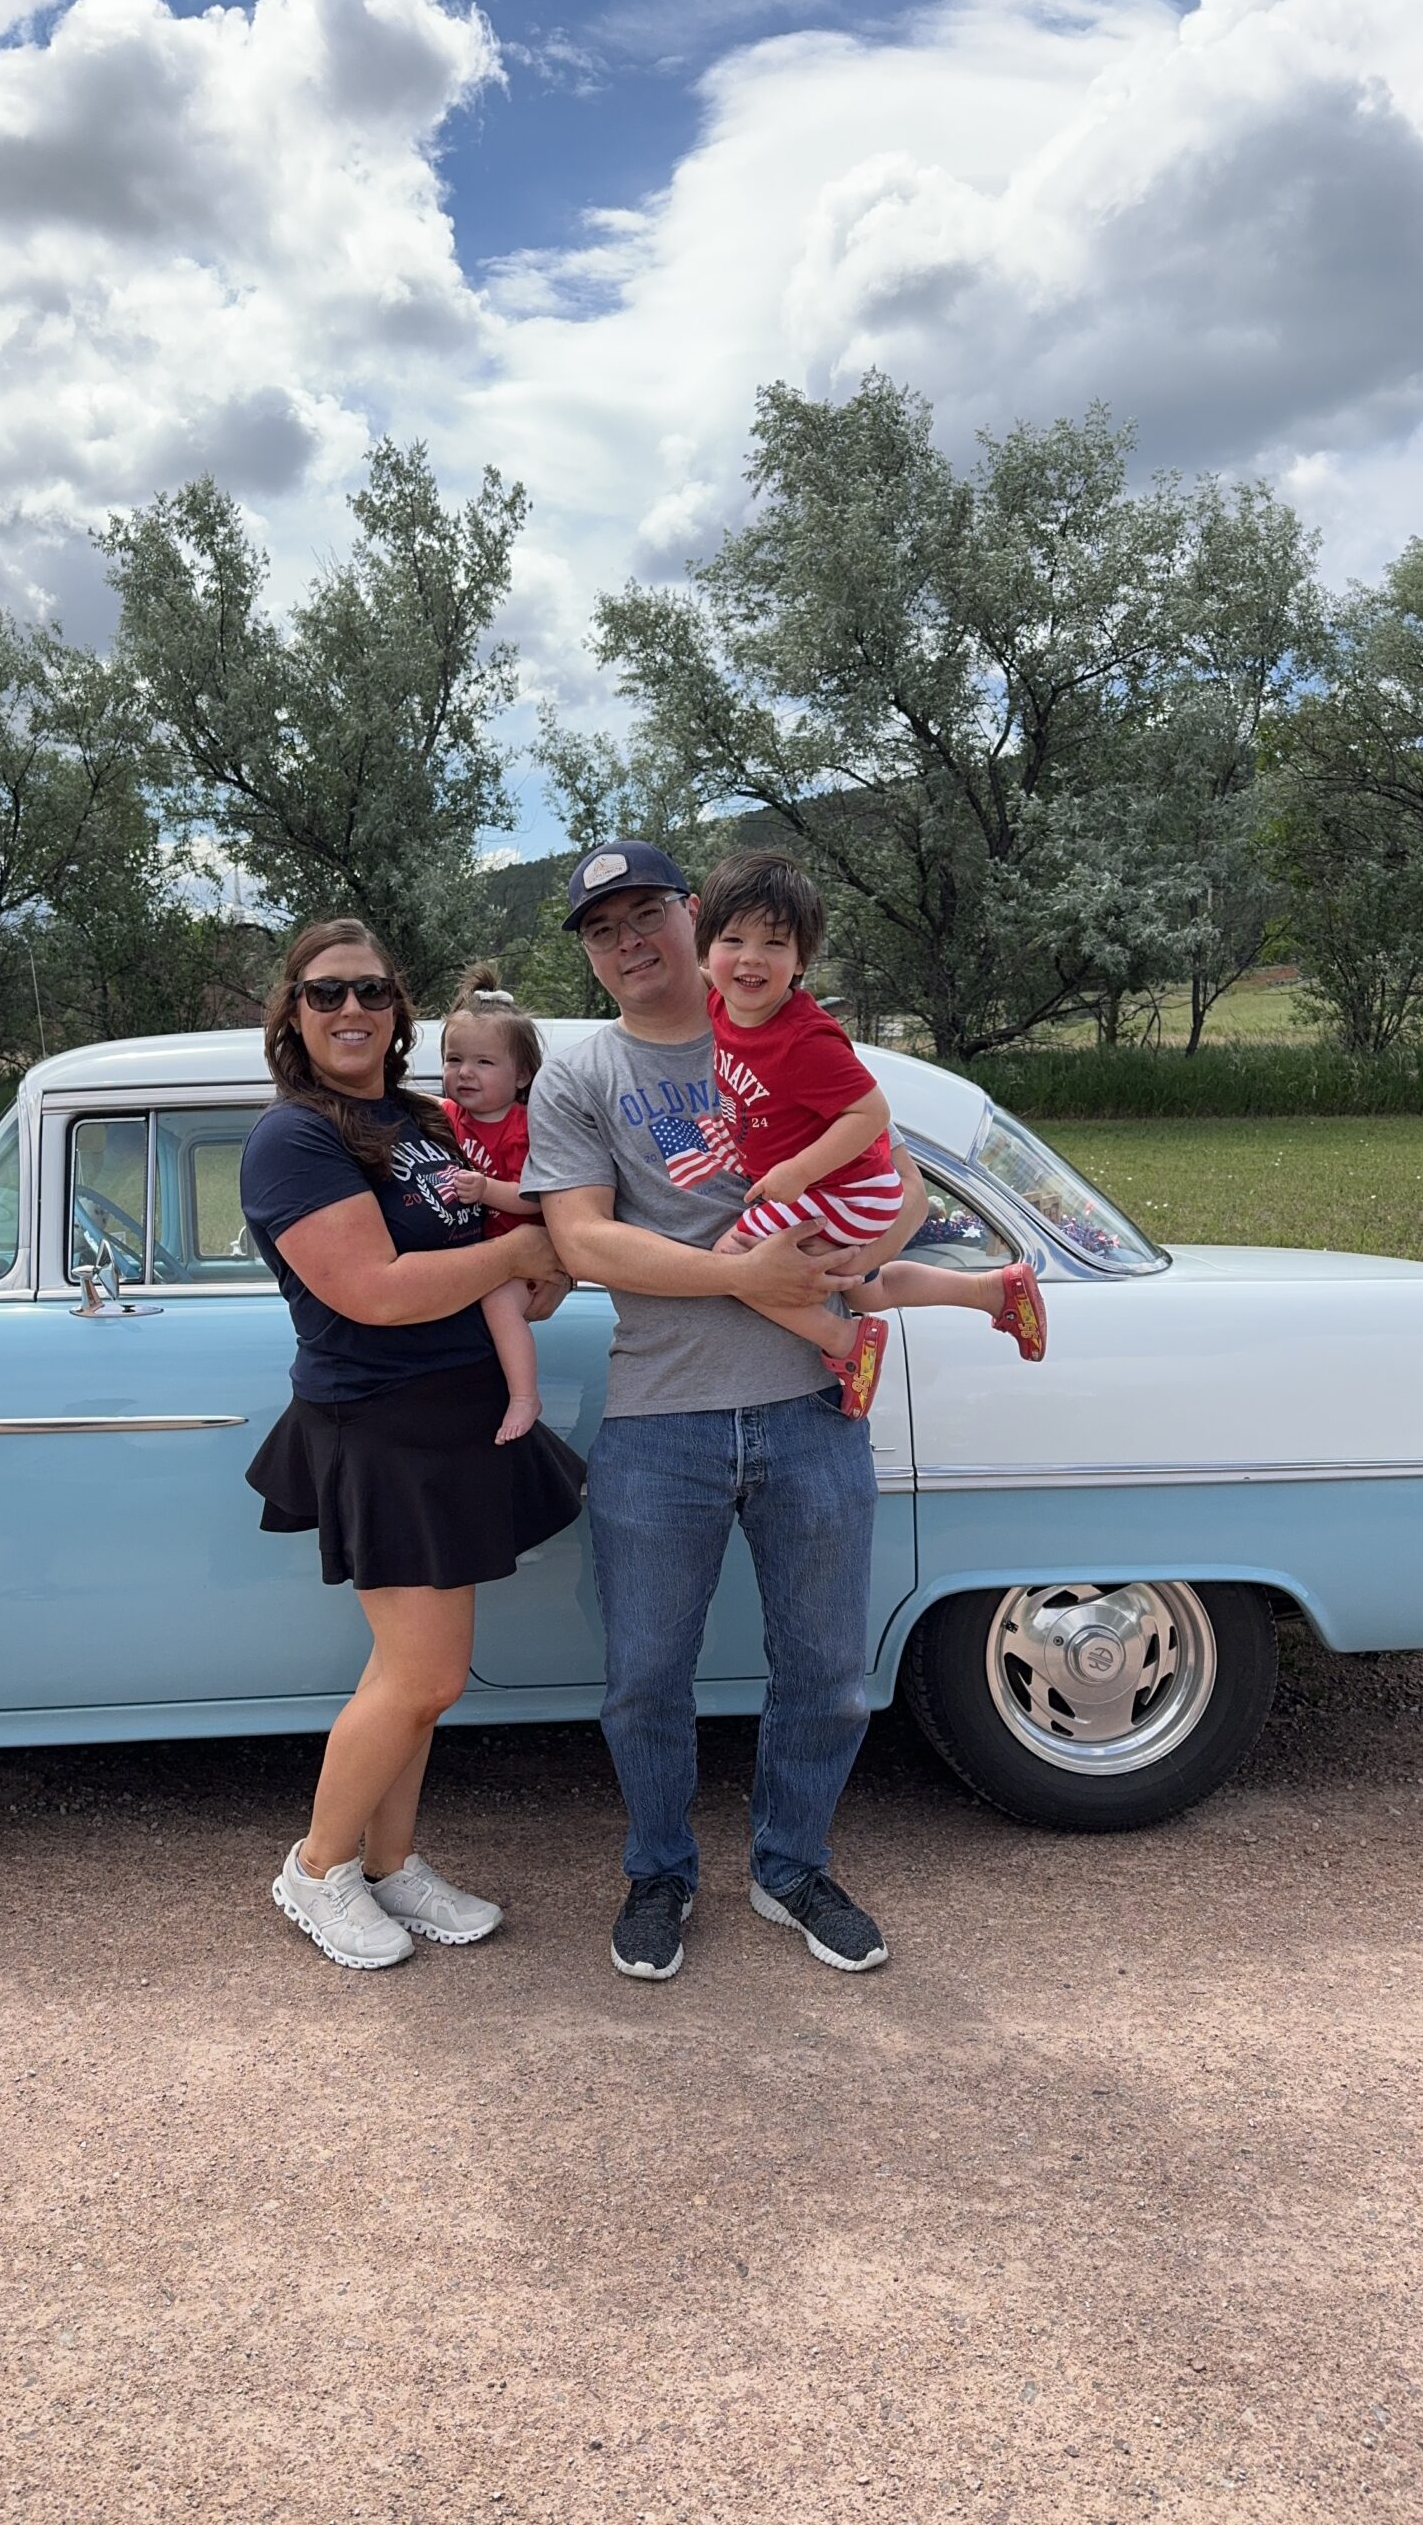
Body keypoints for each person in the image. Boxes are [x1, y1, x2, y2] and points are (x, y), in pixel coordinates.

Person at [519, 839, 927, 1985]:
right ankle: (661, 1869)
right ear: (592, 954)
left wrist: (860, 1261)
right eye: (604, 929)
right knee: (646, 1676)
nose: (630, 941)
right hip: (660, 1416)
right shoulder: (579, 1074)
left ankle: (791, 1866)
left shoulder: (778, 1016)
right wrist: (746, 1276)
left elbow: (902, 1180)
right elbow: (584, 1240)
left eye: (648, 912)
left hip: (810, 1407)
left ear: (697, 916)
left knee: (829, 1671)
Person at [239, 918, 582, 1972]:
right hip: (380, 1425)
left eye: (373, 993)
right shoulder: (295, 1137)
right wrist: (523, 1248)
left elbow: (498, 1264)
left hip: (455, 1417)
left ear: (399, 1013)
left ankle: (389, 1866)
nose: (353, 1011)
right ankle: (316, 1865)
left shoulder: (426, 1120)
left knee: (421, 1673)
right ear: (293, 1013)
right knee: (425, 1676)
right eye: (327, 992)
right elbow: (375, 1291)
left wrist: (545, 1266)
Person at [695, 848, 1047, 1418]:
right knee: (860, 1287)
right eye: (733, 941)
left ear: (803, 960)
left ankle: (846, 1343)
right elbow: (702, 970)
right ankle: (993, 1290)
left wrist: (796, 1172)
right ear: (707, 946)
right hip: (836, 1186)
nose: (750, 960)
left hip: (844, 1188)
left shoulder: (806, 1039)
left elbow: (872, 1113)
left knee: (732, 1259)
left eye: (775, 945)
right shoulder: (719, 1000)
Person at [436, 963, 548, 1446]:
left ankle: (524, 1395)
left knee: (499, 1303)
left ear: (521, 1074)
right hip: (474, 1255)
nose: (465, 1073)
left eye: (484, 1063)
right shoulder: (443, 1116)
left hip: (520, 1257)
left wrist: (485, 1190)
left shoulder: (524, 1125)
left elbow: (534, 1196)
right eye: (453, 1058)